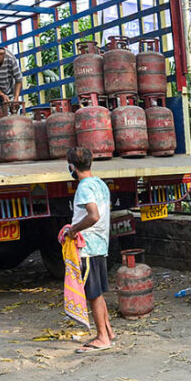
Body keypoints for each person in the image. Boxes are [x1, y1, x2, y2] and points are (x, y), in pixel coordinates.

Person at [65, 147, 115, 353]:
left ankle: (102, 337)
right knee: (98, 293)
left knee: (93, 293)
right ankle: (108, 331)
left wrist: (73, 230)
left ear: (71, 167)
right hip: (100, 244)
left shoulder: (84, 187)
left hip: (88, 246)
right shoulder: (100, 184)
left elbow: (93, 215)